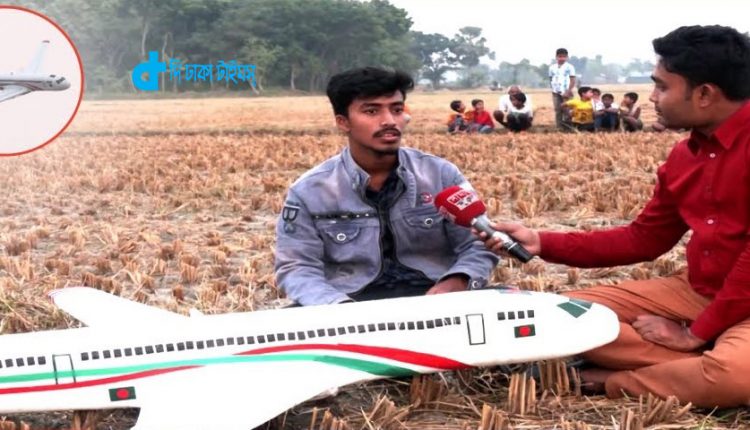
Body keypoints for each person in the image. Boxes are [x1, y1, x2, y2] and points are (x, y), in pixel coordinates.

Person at [477, 25, 750, 408]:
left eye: (661, 87)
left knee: (733, 376)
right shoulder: (683, 158)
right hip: (698, 292)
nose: (652, 98)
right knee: (557, 316)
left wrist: (695, 333)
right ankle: (694, 367)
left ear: (704, 94)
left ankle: (611, 380)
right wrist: (542, 242)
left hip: (742, 302)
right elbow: (645, 239)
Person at [275, 67, 498, 306]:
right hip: (348, 305)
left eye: (397, 109)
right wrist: (338, 308)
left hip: (434, 302)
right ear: (343, 122)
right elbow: (296, 267)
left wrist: (457, 281)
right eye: (371, 111)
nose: (389, 121)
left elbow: (477, 244)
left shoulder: (442, 175)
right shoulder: (309, 191)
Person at [549, 48, 577, 130]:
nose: (562, 58)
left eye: (564, 57)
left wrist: (569, 90)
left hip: (566, 91)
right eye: (560, 56)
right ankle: (559, 127)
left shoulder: (570, 67)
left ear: (567, 57)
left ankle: (568, 127)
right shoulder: (552, 67)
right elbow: (551, 79)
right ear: (556, 57)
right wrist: (552, 89)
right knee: (558, 110)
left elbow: (572, 79)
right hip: (555, 92)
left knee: (567, 110)